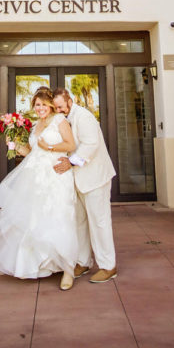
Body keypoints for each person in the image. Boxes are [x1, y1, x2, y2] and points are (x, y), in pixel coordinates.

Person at [0, 86, 78, 290]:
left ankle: (68, 270)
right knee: (36, 220)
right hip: (35, 179)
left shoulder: (59, 121)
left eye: (43, 104)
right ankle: (42, 264)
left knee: (60, 218)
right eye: (37, 105)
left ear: (51, 105)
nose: (40, 108)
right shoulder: (35, 126)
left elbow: (70, 144)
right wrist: (13, 144)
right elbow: (31, 152)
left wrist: (51, 148)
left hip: (56, 176)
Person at [51, 87, 117, 283]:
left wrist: (70, 162)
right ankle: (83, 262)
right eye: (55, 107)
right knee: (79, 223)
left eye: (61, 106)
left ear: (69, 101)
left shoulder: (84, 116)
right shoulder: (62, 120)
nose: (59, 110)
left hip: (95, 179)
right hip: (77, 181)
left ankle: (108, 266)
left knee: (99, 222)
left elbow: (91, 145)